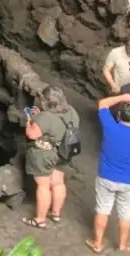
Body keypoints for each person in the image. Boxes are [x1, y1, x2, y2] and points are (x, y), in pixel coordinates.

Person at [87, 93, 130, 254]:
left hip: (106, 177)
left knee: (102, 210)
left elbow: (102, 103)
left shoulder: (110, 127)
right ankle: (122, 246)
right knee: (126, 215)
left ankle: (97, 244)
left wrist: (123, 97)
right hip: (129, 181)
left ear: (119, 115)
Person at [22, 86, 78, 228]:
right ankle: (55, 213)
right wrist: (40, 115)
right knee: (58, 182)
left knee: (43, 185)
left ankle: (40, 219)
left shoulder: (46, 117)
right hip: (64, 152)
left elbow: (32, 134)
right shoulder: (71, 111)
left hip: (45, 155)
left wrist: (30, 120)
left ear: (47, 102)